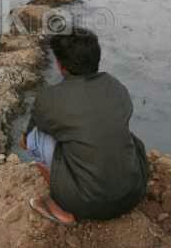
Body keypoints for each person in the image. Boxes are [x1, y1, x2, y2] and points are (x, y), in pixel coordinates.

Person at [21, 27, 148, 225]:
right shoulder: (115, 86)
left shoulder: (50, 97)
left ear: (61, 66)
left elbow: (27, 138)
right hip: (135, 191)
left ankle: (62, 208)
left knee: (34, 138)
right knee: (118, 132)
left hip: (86, 203)